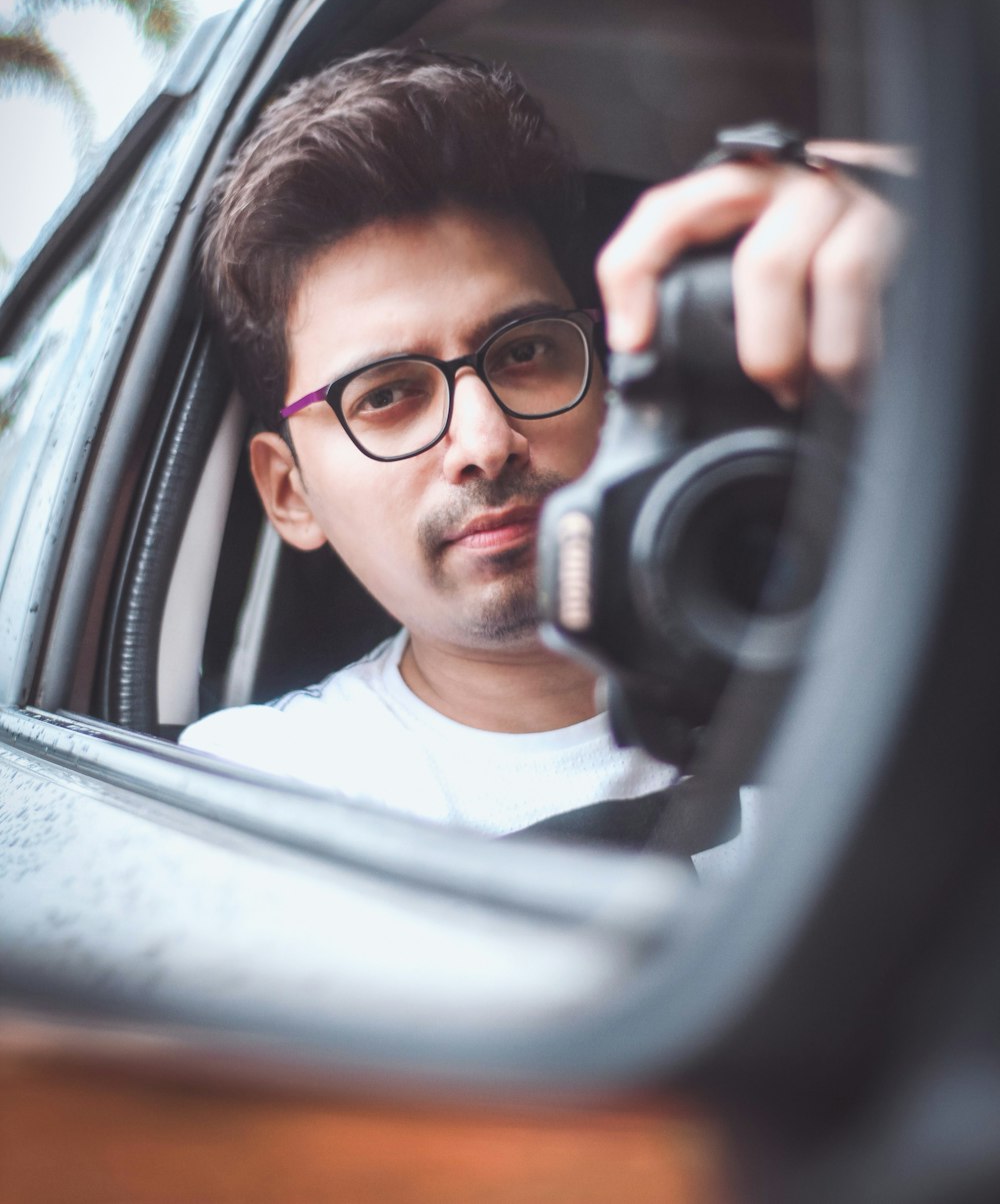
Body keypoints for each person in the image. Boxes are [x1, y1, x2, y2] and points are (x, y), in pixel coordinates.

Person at [181, 48, 901, 853]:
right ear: (290, 494)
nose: (485, 443)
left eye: (523, 352)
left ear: (610, 375)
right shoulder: (255, 797)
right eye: (386, 395)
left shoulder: (887, 636)